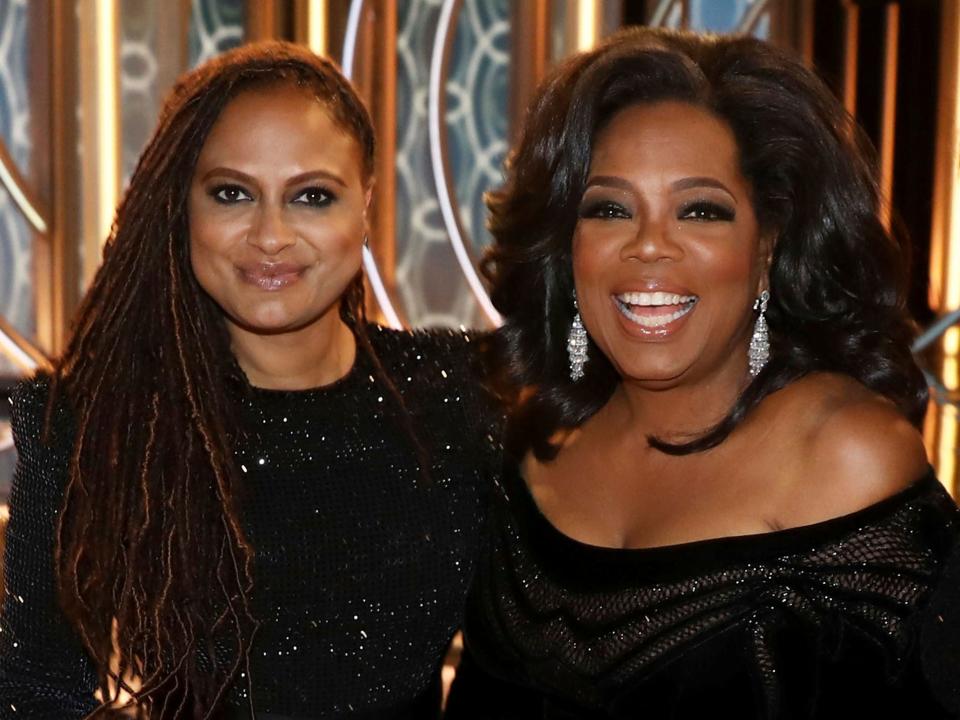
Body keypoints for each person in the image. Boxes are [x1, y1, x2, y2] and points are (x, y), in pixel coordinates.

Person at [444, 28, 960, 719]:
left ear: (767, 247)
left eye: (700, 210)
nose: (649, 244)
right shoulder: (535, 447)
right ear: (569, 248)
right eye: (610, 209)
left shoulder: (846, 454)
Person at [0, 42, 498, 718]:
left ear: (367, 205)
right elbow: (34, 693)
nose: (270, 235)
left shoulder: (455, 397)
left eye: (312, 196)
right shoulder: (98, 425)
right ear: (182, 207)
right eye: (232, 193)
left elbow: (522, 667)